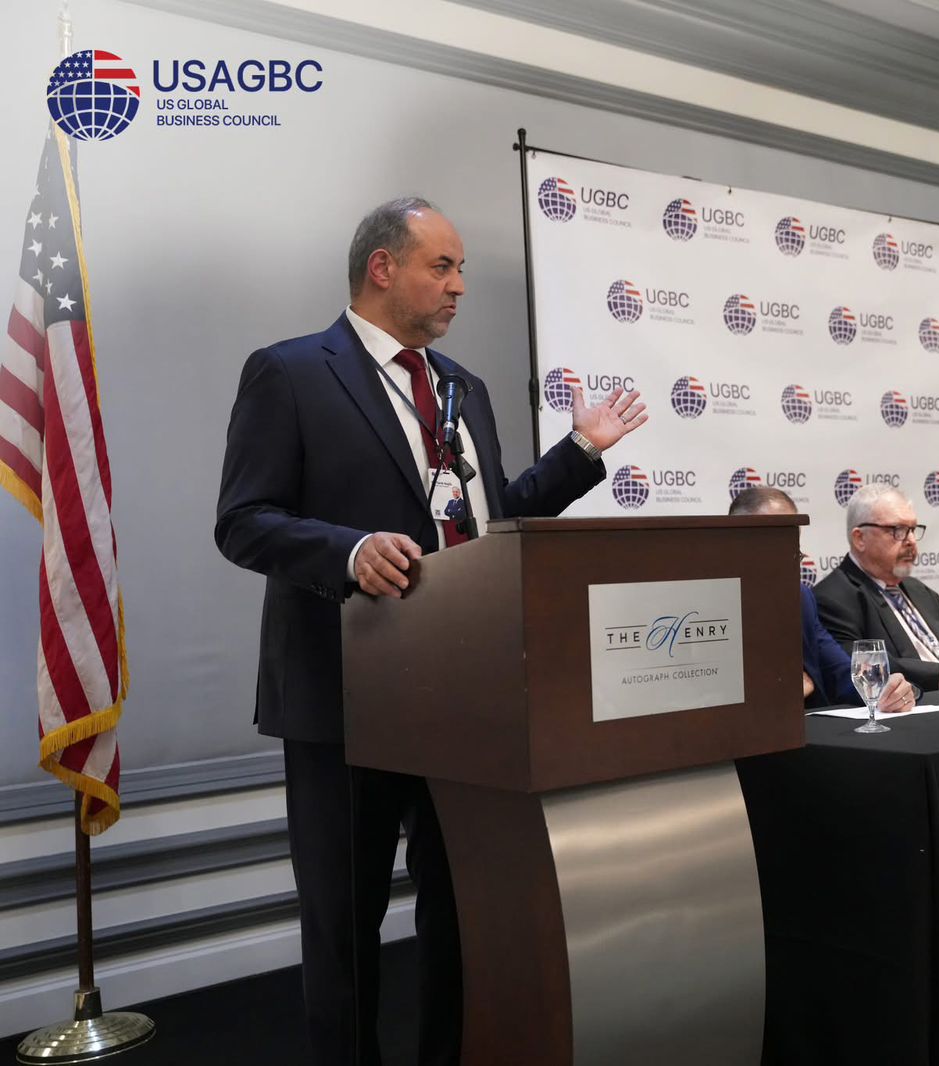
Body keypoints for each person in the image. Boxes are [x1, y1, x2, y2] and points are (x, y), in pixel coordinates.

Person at [214, 198, 647, 1066]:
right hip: (343, 700)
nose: (459, 287)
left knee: (462, 915)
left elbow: (486, 527)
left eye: (461, 270)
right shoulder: (290, 372)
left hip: (461, 701)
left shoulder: (462, 389)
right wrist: (348, 552)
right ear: (382, 268)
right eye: (441, 267)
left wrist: (579, 455)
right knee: (345, 923)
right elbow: (244, 521)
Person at [728, 485, 916, 713]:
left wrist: (888, 690)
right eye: (769, 550)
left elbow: (841, 672)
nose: (783, 565)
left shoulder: (800, 598)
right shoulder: (713, 606)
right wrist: (782, 690)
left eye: (792, 552)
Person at [812, 484, 939, 693]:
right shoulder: (832, 598)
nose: (910, 541)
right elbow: (865, 668)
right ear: (860, 538)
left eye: (912, 530)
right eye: (897, 531)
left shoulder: (918, 589)